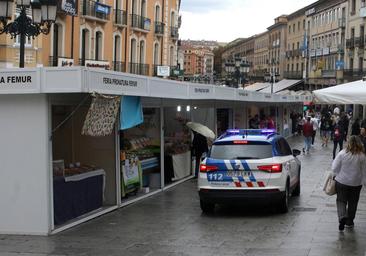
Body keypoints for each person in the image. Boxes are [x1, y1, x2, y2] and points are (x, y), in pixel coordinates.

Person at [332, 136, 366, 231]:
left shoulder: (342, 153)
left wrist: (337, 173)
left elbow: (334, 168)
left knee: (341, 200)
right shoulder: (362, 156)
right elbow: (364, 172)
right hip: (356, 183)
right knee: (353, 202)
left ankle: (342, 217)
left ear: (348, 142)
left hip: (341, 181)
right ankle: (349, 221)